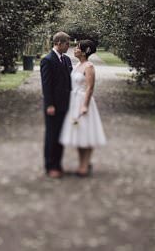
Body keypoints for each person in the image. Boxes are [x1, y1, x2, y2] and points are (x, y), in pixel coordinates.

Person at [59, 39, 106, 177]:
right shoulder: (78, 64)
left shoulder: (89, 66)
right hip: (73, 101)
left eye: (78, 47)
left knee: (86, 133)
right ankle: (82, 163)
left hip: (83, 101)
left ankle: (84, 165)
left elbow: (90, 87)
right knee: (79, 134)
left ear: (85, 51)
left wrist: (84, 105)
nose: (74, 49)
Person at [40, 31, 72, 178]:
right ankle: (50, 165)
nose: (68, 46)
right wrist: (49, 104)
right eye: (67, 44)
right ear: (58, 43)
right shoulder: (47, 60)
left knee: (61, 136)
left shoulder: (66, 60)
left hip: (65, 104)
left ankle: (58, 164)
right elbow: (46, 85)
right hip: (53, 106)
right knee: (52, 136)